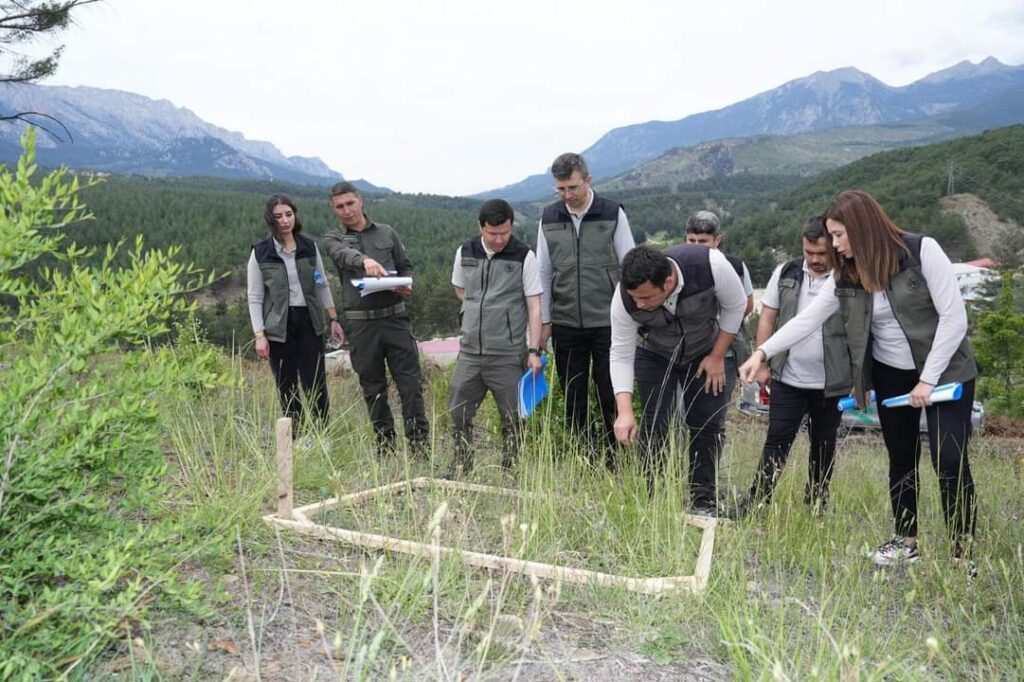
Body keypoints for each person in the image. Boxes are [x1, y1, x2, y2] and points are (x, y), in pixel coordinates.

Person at [740, 190, 978, 572]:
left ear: (861, 226)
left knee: (949, 459)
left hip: (947, 371)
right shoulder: (847, 272)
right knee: (901, 457)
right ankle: (906, 541)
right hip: (891, 374)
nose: (833, 244)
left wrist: (928, 380)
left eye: (837, 234)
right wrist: (762, 352)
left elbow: (954, 320)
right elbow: (807, 319)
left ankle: (961, 555)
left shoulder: (920, 252)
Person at [610, 245, 747, 512]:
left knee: (706, 423)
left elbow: (737, 305)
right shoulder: (624, 300)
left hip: (706, 348)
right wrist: (624, 411)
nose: (639, 304)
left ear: (668, 282)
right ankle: (654, 499)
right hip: (655, 353)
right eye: (634, 298)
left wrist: (718, 356)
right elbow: (621, 353)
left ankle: (703, 500)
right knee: (655, 425)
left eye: (646, 298)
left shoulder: (710, 266)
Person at [738, 216, 852, 516]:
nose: (814, 260)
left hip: (831, 383)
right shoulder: (786, 272)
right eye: (808, 253)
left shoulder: (848, 277)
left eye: (821, 254)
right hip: (787, 378)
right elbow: (767, 317)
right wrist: (763, 361)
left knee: (823, 446)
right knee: (776, 440)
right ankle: (757, 502)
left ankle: (816, 504)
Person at [536, 152, 635, 463]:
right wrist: (546, 321)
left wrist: (632, 317)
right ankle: (584, 459)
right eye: (561, 189)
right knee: (573, 396)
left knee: (609, 392)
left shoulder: (612, 213)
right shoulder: (549, 218)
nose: (568, 195)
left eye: (573, 188)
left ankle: (615, 459)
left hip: (608, 323)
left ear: (588, 181)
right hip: (566, 324)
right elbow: (543, 271)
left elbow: (629, 266)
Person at [321, 181, 430, 457]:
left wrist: (407, 284)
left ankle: (419, 447)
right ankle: (386, 447)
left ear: (360, 201)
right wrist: (364, 261)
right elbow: (341, 256)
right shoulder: (333, 239)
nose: (347, 210)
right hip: (362, 325)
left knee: (410, 385)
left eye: (350, 203)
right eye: (340, 207)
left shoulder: (387, 232)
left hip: (395, 319)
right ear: (333, 209)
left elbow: (405, 266)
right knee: (373, 388)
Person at [446, 199, 544, 476]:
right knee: (458, 411)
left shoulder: (524, 256)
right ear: (481, 227)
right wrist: (477, 314)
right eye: (493, 233)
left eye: (505, 232)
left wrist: (533, 350)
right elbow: (460, 290)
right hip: (470, 351)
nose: (500, 239)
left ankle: (511, 469)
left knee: (513, 416)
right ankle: (462, 464)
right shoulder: (465, 252)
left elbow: (534, 305)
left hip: (507, 353)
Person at [247, 193, 343, 433]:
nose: (285, 220)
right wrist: (260, 334)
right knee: (286, 385)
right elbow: (255, 296)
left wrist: (333, 318)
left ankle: (323, 435)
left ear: (294, 215)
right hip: (278, 327)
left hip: (310, 322)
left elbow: (321, 283)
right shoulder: (261, 252)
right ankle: (296, 437)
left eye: (288, 214)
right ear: (271, 219)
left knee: (316, 383)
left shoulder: (309, 247)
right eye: (278, 216)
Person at [684, 210, 755, 401]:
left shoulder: (735, 265)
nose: (696, 246)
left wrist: (724, 327)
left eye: (703, 241)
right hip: (689, 349)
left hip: (726, 351)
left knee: (716, 408)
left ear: (717, 240)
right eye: (692, 241)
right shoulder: (679, 264)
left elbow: (747, 304)